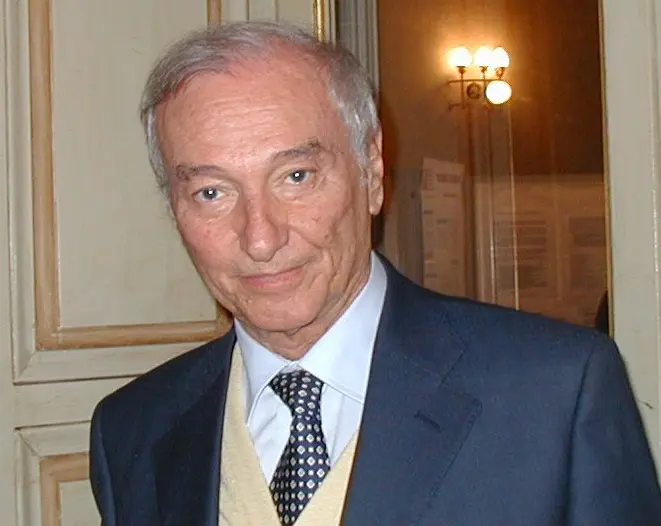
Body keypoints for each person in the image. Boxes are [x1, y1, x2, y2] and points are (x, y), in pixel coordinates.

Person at [89, 21, 661, 526]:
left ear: (372, 170)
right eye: (212, 192)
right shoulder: (133, 430)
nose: (261, 238)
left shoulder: (554, 393)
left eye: (296, 177)